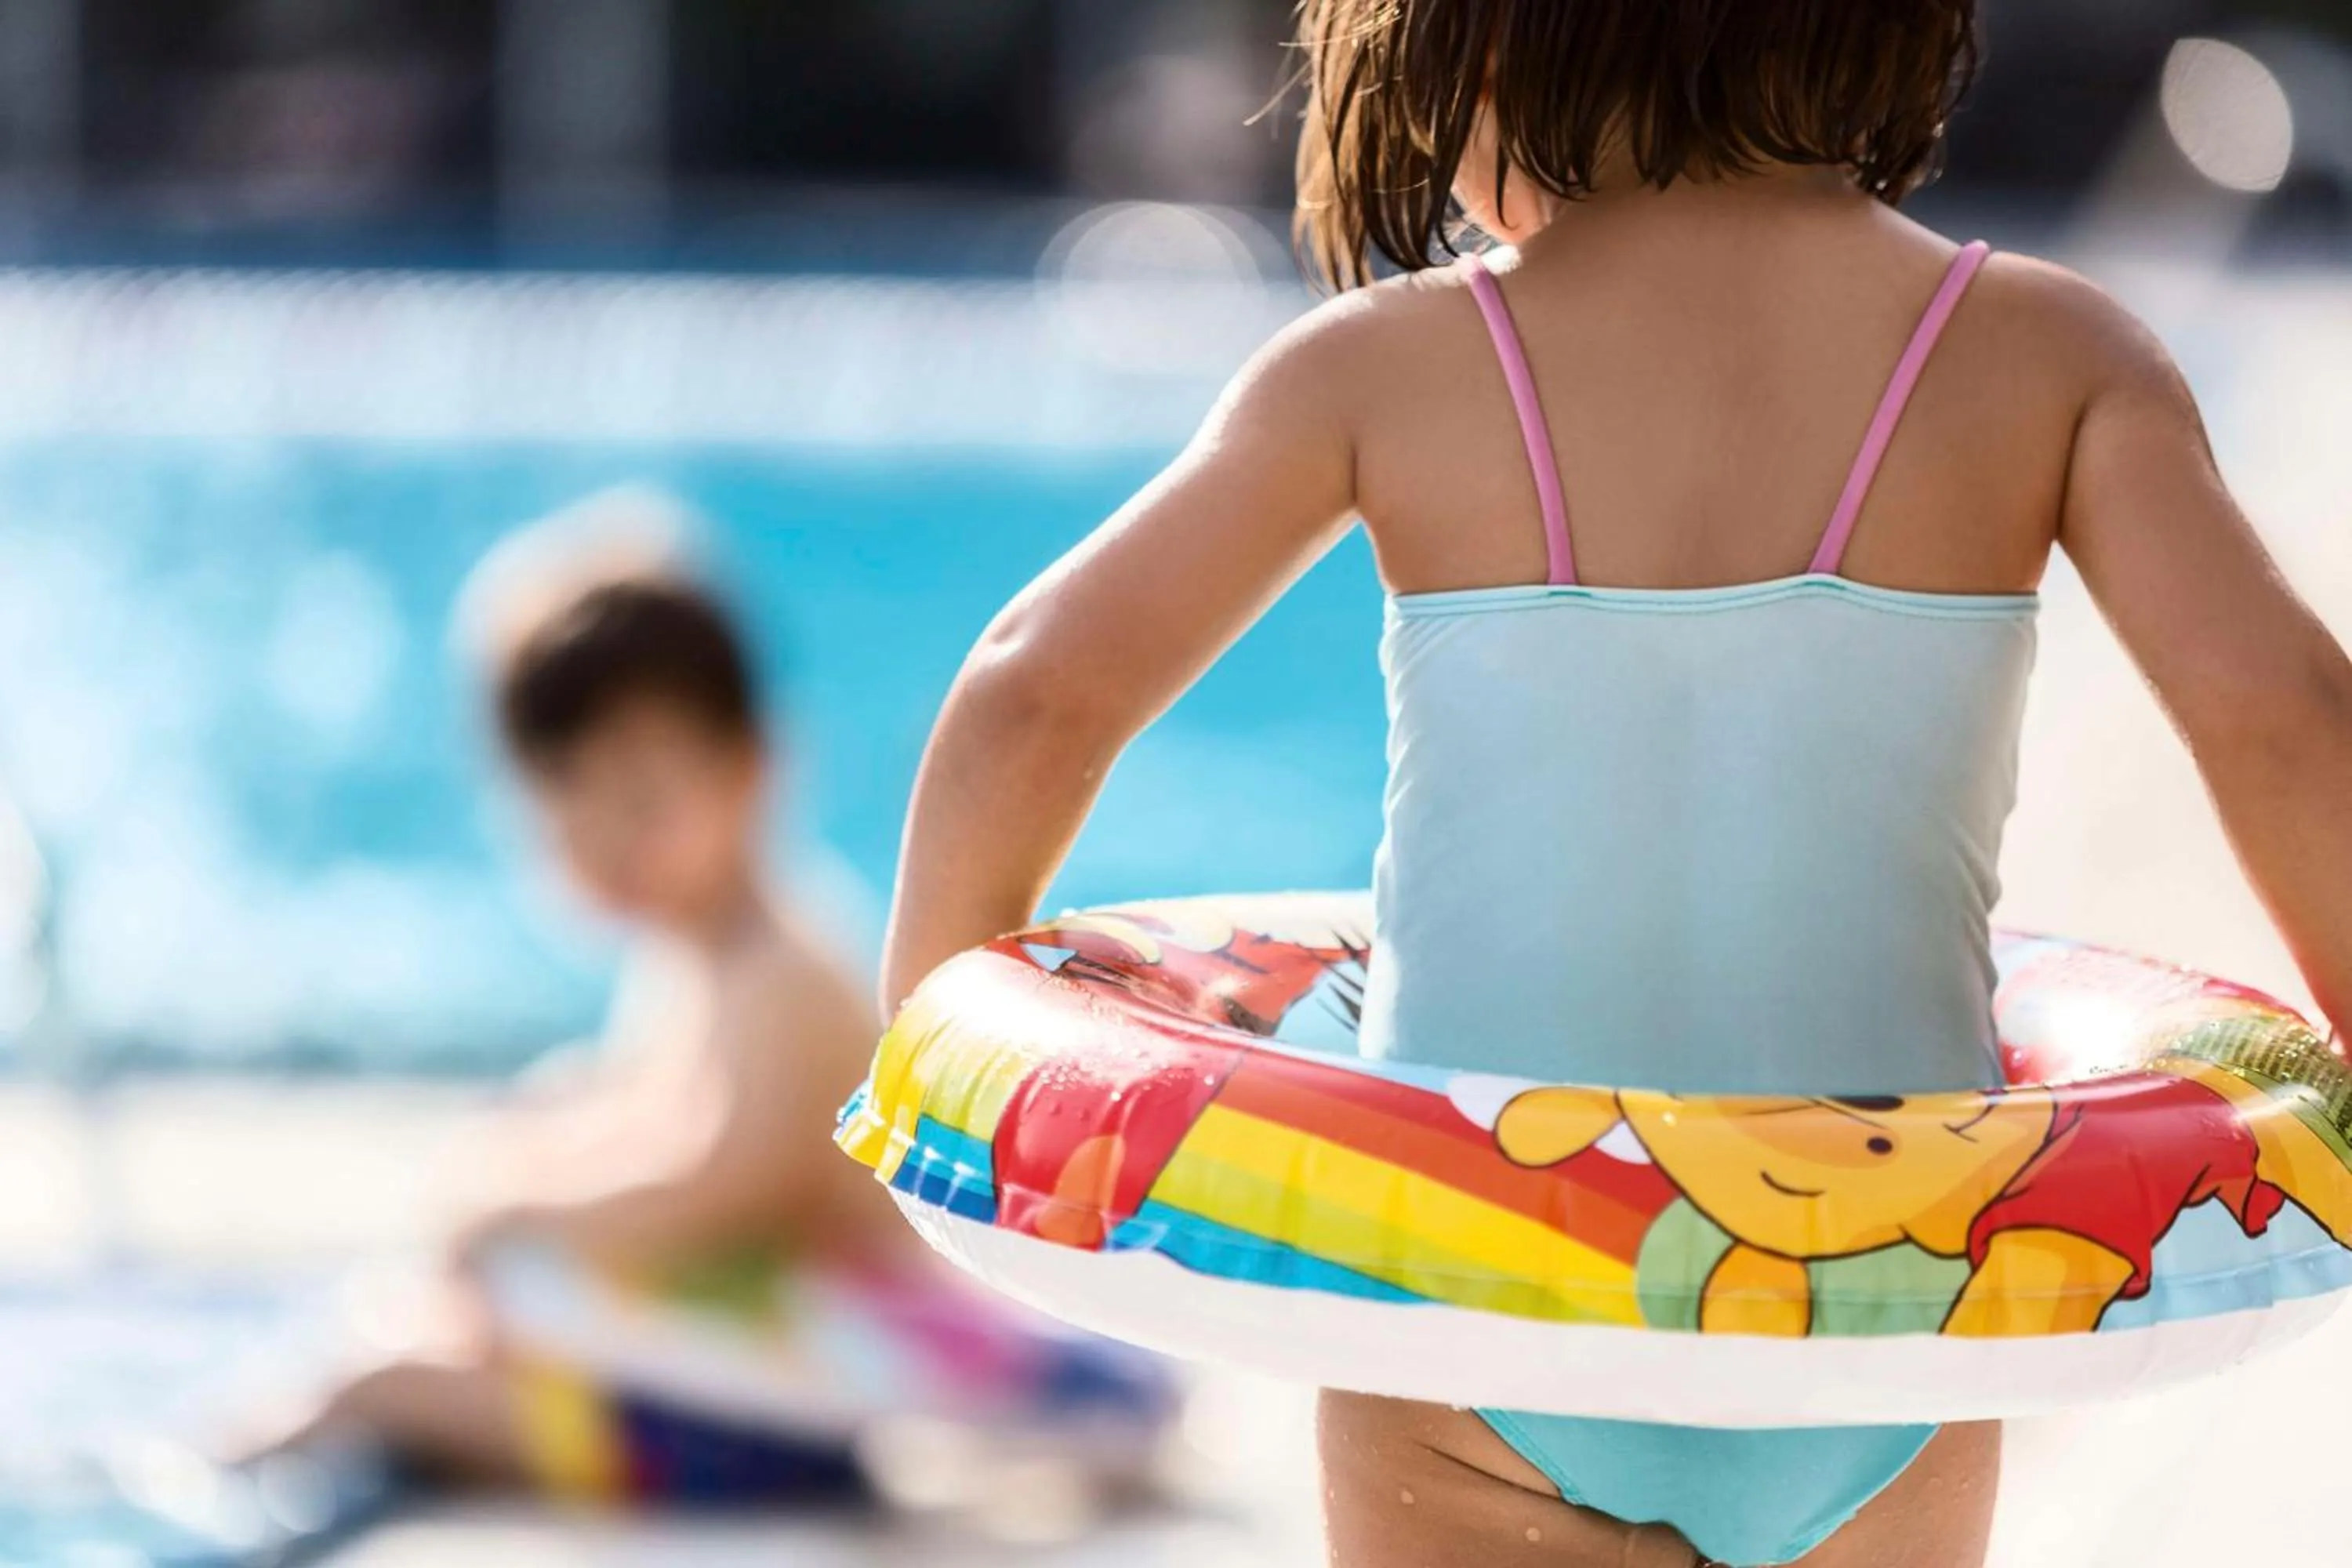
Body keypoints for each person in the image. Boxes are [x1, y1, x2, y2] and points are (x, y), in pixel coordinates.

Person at [873, 3, 2352, 1564]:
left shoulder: (1388, 369)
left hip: (1469, 1320)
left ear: (1482, 52)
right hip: (1878, 1322)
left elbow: (1034, 687)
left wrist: (947, 1076)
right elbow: (2288, 717)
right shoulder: (2052, 360)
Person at [203, 503, 1170, 1537]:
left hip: (767, 1438)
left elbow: (724, 1180)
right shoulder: (700, 955)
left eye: (643, 800)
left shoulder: (782, 971)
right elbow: (646, 1118)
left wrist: (515, 1210)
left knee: (380, 1378)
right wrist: (523, 1162)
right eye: (569, 809)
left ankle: (204, 1473)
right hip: (741, 1391)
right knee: (436, 1292)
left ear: (750, 767)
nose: (607, 843)